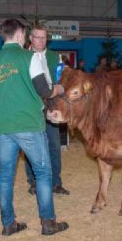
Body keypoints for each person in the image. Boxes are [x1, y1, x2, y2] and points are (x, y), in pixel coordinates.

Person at [0, 18, 68, 236]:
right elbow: (45, 91)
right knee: (43, 173)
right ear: (20, 35)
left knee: (5, 176)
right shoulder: (31, 58)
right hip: (29, 124)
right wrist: (59, 88)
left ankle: (8, 223)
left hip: (3, 128)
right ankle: (48, 223)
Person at [25, 24, 69, 195]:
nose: (41, 40)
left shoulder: (55, 57)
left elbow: (60, 79)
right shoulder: (24, 57)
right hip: (32, 105)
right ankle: (34, 182)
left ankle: (56, 182)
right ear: (30, 38)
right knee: (32, 147)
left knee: (54, 146)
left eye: (44, 37)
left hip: (51, 104)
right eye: (37, 37)